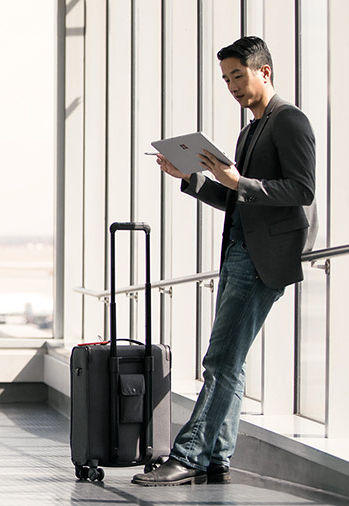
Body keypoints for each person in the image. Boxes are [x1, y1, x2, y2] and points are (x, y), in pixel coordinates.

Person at [132, 36, 317, 486]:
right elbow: (238, 199)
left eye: (238, 75)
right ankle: (216, 457)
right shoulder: (250, 129)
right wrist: (193, 178)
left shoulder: (289, 121)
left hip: (261, 258)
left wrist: (239, 180)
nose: (232, 85)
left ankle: (189, 455)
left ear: (264, 71)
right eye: (226, 79)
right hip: (239, 252)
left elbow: (302, 190)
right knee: (229, 361)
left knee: (219, 361)